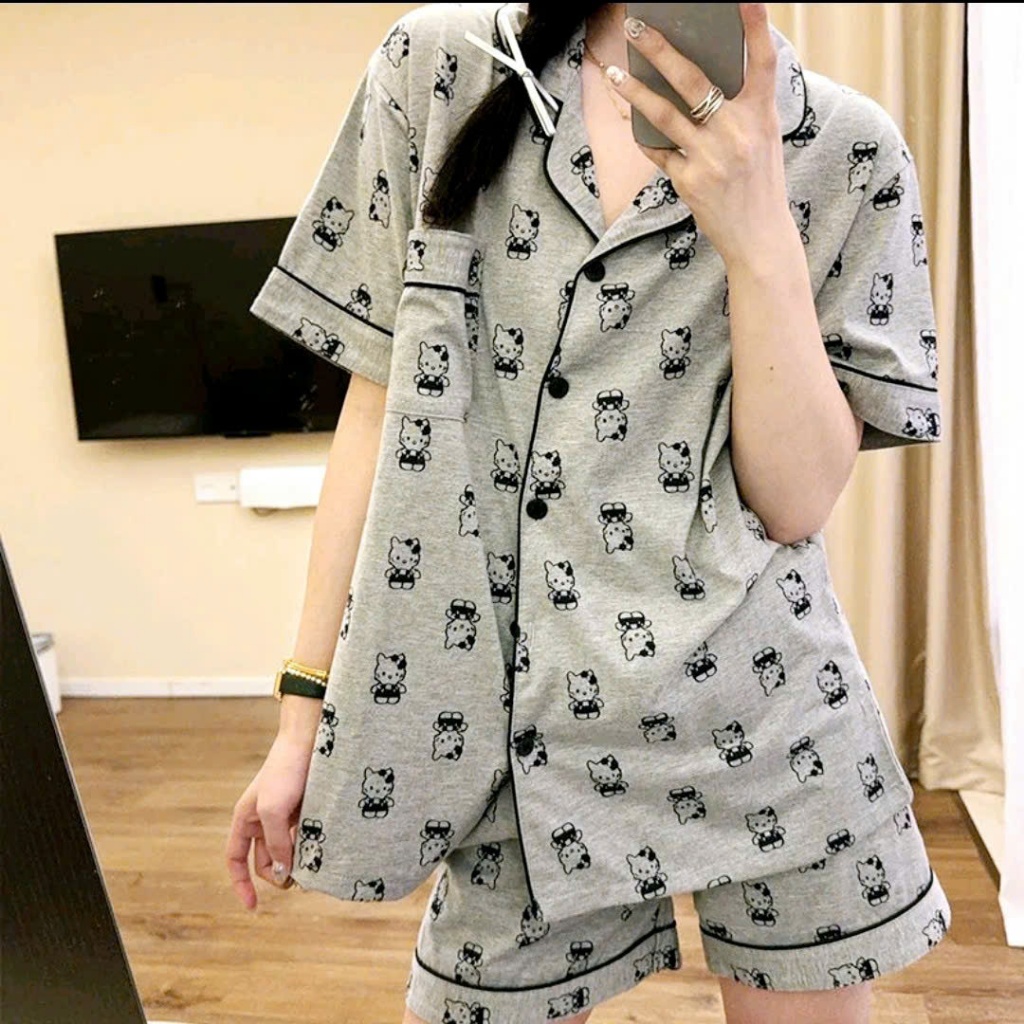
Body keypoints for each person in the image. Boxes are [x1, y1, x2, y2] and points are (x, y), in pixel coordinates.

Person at [225, 4, 951, 1022]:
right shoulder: (442, 70)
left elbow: (793, 502)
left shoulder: (847, 147)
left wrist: (757, 232)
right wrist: (304, 712)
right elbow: (380, 413)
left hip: (770, 726)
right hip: (516, 740)